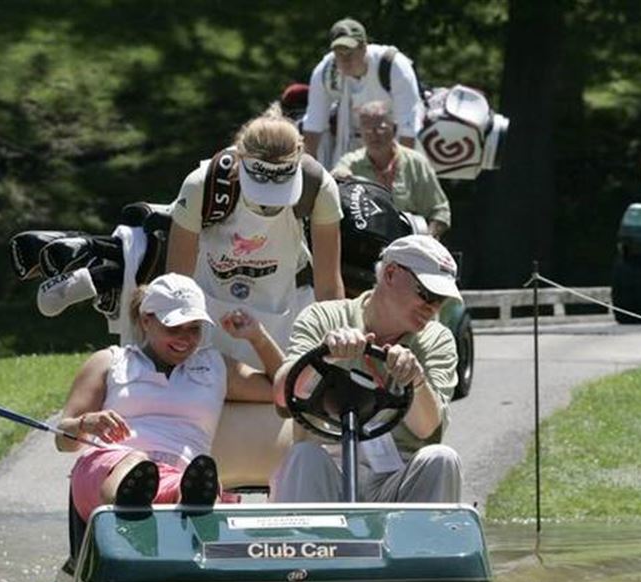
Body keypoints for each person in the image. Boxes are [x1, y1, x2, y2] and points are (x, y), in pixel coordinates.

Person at [56, 273, 282, 520]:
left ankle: (185, 503)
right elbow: (62, 440)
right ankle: (130, 505)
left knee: (184, 484)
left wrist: (258, 337)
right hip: (109, 467)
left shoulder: (215, 366)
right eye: (173, 327)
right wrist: (84, 424)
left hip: (179, 472)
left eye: (194, 329)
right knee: (135, 462)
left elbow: (284, 389)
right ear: (145, 321)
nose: (185, 339)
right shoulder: (109, 361)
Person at [270, 234, 462, 503]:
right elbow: (281, 394)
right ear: (391, 274)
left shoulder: (436, 339)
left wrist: (415, 379)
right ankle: (304, 544)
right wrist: (325, 357)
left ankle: (424, 546)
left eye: (440, 300)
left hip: (396, 477)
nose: (431, 308)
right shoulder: (323, 317)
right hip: (328, 468)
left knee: (441, 458)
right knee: (304, 456)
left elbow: (427, 429)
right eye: (426, 294)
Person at [166, 104, 344, 366]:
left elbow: (328, 285)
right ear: (240, 159)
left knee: (284, 388)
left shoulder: (318, 185)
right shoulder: (203, 184)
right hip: (212, 302)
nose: (269, 204)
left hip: (288, 304)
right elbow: (177, 279)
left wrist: (336, 340)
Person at [303, 18, 423, 167]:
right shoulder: (326, 73)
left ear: (364, 48)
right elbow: (313, 124)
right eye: (339, 53)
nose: (344, 59)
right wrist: (308, 172)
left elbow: (408, 126)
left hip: (393, 140)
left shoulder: (393, 66)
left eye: (349, 52)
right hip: (351, 143)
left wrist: (400, 172)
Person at [333, 100, 451, 237]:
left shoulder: (416, 163)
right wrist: (340, 176)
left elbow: (440, 211)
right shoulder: (352, 162)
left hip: (410, 239)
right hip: (367, 241)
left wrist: (427, 240)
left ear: (394, 129)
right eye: (367, 128)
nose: (374, 134)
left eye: (381, 128)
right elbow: (338, 174)